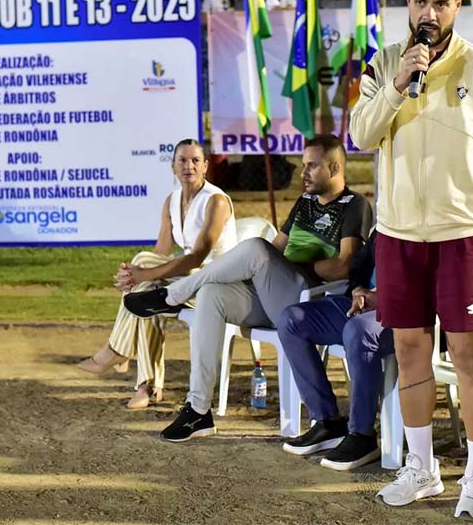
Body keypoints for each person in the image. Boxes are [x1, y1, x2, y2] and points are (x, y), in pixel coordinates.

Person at [350, 0, 473, 519]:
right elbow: (360, 134)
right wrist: (399, 84)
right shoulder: (383, 65)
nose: (429, 14)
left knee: (468, 355)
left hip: (461, 235)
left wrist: (472, 187)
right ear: (408, 1)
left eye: (441, 3)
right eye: (421, 1)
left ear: (458, 6)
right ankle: (422, 468)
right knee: (409, 352)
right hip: (398, 233)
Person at [123, 136, 371, 443]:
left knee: (255, 248)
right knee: (212, 294)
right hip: (274, 296)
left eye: (312, 166)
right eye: (303, 165)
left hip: (310, 301)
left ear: (334, 167)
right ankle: (198, 410)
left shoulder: (355, 205)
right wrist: (271, 266)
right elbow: (276, 249)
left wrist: (288, 267)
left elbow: (344, 266)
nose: (302, 173)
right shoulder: (305, 203)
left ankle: (173, 294)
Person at [78, 140, 237, 409]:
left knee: (145, 276)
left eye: (196, 160)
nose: (189, 166)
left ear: (206, 166)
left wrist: (143, 272)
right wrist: (136, 275)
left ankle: (120, 354)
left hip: (217, 284)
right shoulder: (171, 201)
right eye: (183, 160)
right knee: (144, 290)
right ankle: (146, 386)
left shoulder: (216, 201)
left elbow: (197, 257)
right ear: (172, 166)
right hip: (189, 279)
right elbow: (162, 252)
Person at [278, 228, 394, 470]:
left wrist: (382, 298)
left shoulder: (427, 225)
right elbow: (361, 263)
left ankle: (362, 435)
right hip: (361, 305)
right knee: (292, 320)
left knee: (357, 330)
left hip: (400, 312)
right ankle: (327, 421)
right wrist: (358, 291)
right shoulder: (387, 222)